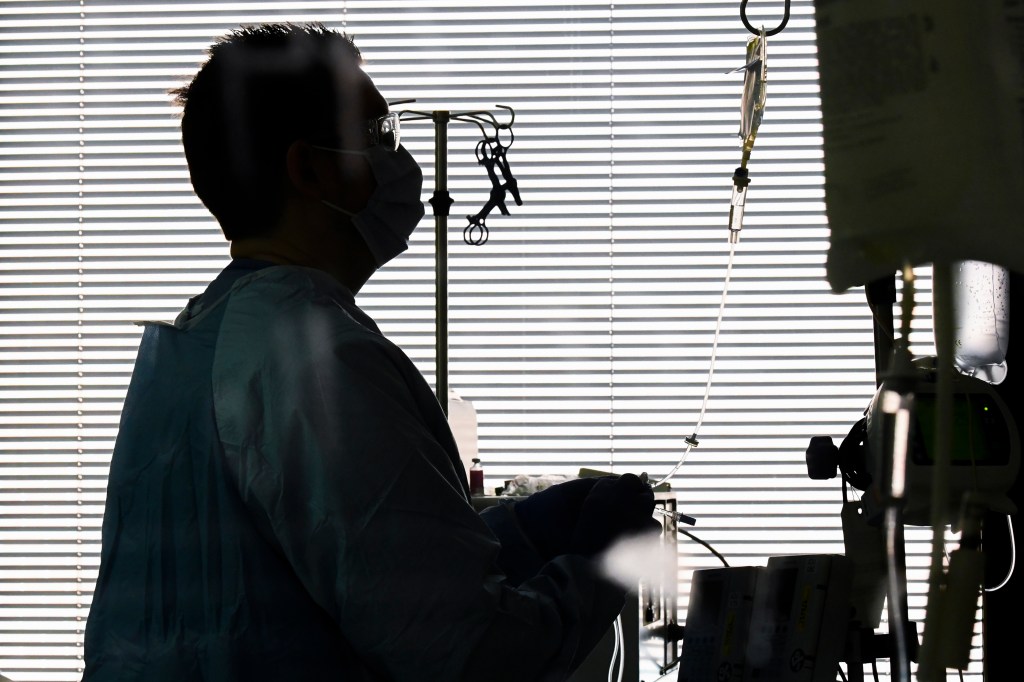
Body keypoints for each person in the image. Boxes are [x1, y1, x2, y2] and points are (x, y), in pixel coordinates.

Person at [81, 22, 659, 682]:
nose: (399, 158)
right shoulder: (315, 361)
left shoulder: (201, 342)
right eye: (380, 136)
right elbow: (466, 655)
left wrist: (520, 538)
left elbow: (319, 571)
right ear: (311, 168)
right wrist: (605, 571)